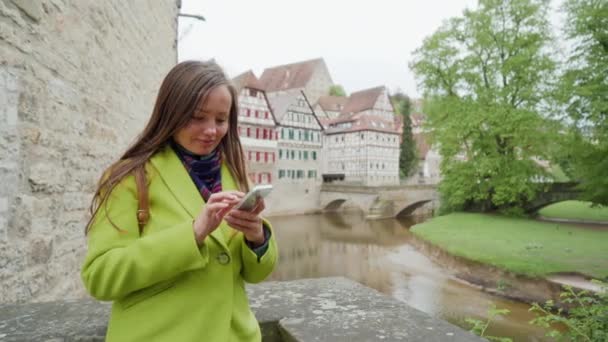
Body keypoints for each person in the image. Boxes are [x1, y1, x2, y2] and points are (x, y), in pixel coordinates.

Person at [81, 60, 278, 341]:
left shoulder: (233, 170)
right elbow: (100, 277)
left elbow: (257, 274)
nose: (211, 130)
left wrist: (257, 238)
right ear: (171, 113)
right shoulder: (129, 177)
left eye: (221, 120)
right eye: (198, 117)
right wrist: (193, 233)